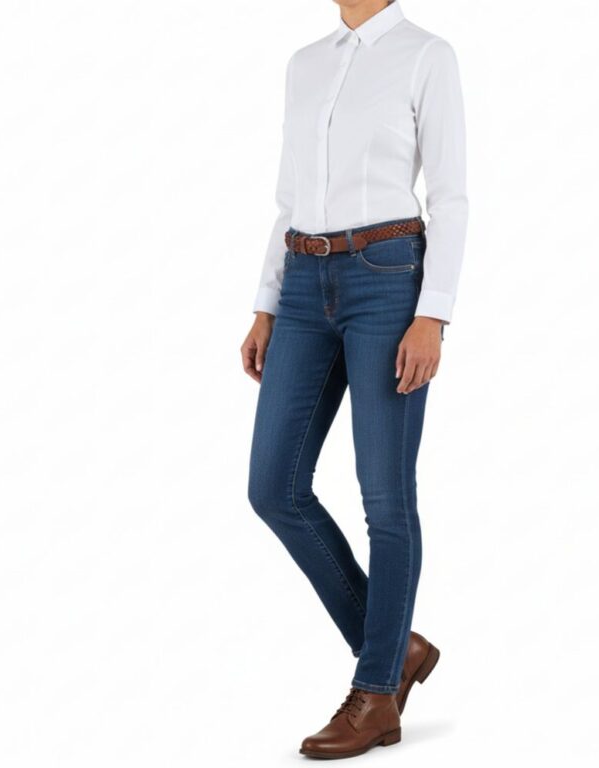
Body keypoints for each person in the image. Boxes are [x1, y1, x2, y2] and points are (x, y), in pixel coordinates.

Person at [240, 0, 468, 758]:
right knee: (273, 488)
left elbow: (451, 195)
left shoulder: (426, 54)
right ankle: (397, 648)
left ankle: (376, 696)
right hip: (303, 283)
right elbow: (288, 197)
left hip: (388, 279)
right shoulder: (305, 63)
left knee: (385, 497)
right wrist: (266, 304)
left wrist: (433, 313)